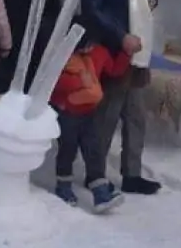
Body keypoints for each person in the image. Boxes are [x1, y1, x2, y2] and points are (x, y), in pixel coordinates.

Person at [80, 0, 162, 196]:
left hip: (137, 54)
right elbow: (92, 9)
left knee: (136, 115)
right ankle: (95, 175)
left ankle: (132, 174)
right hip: (113, 54)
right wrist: (120, 36)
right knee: (107, 115)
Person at [50, 28, 131, 212]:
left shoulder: (99, 53)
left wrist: (126, 54)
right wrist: (80, 82)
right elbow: (56, 83)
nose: (88, 48)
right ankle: (63, 187)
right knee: (67, 150)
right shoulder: (63, 56)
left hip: (89, 112)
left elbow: (113, 70)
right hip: (67, 113)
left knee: (94, 150)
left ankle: (100, 193)